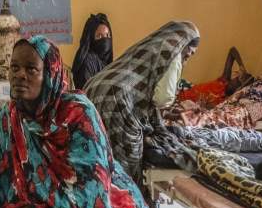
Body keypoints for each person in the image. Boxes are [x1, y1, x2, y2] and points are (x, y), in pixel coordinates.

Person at [0, 36, 156, 208]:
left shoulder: (77, 113)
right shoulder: (10, 117)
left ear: (50, 73)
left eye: (31, 69)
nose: (20, 75)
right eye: (14, 67)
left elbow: (91, 198)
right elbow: (7, 181)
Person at [85, 20, 201, 184]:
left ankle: (105, 200)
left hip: (97, 93)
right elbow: (163, 98)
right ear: (184, 46)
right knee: (126, 171)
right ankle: (131, 204)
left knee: (100, 159)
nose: (186, 59)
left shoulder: (149, 46)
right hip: (117, 102)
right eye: (188, 55)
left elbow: (145, 91)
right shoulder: (174, 52)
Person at [71, 12, 114, 91]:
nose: (105, 40)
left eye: (108, 35)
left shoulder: (107, 65)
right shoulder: (87, 62)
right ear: (90, 39)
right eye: (99, 36)